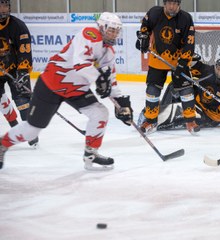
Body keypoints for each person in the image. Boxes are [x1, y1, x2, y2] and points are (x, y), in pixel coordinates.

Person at [0, 12, 133, 171]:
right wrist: (99, 78)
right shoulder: (88, 34)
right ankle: (3, 144)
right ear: (102, 27)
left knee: (100, 113)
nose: (114, 33)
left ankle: (91, 154)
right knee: (32, 130)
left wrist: (122, 103)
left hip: (76, 88)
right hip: (52, 83)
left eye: (117, 30)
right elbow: (80, 64)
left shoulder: (109, 51)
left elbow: (110, 78)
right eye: (111, 29)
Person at [135, 0, 199, 135]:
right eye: (169, 3)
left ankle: (190, 120)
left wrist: (183, 62)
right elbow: (145, 26)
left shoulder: (186, 18)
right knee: (152, 90)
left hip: (178, 60)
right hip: (158, 59)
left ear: (179, 4)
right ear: (164, 3)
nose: (172, 7)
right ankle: (150, 121)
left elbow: (190, 42)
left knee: (186, 90)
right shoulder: (154, 13)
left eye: (175, 4)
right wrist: (144, 37)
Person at [138, 55, 220, 130]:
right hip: (197, 103)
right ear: (215, 66)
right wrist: (191, 56)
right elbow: (192, 63)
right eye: (218, 68)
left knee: (178, 114)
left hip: (211, 116)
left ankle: (154, 119)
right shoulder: (208, 70)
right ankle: (160, 108)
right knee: (175, 84)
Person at [0, 0, 38, 147]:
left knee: (23, 101)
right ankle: (14, 125)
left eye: (5, 5)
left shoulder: (18, 26)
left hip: (16, 68)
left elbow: (25, 51)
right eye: (0, 5)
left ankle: (30, 132)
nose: (4, 9)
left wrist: (23, 72)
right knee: (2, 102)